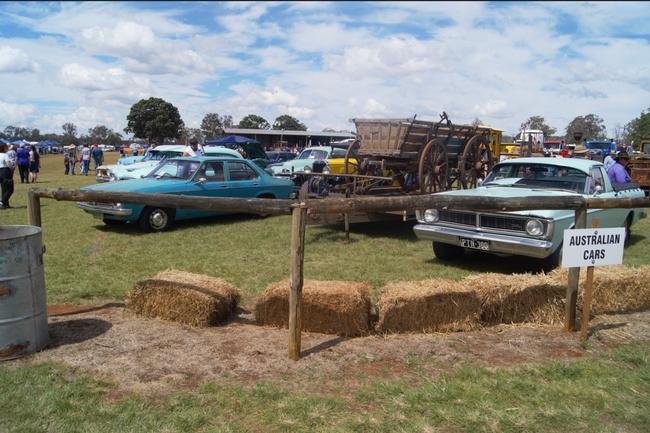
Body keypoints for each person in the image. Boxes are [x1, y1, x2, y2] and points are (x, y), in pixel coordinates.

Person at [0, 143, 14, 208]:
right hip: (5, 171)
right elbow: (9, 164)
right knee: (10, 189)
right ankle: (2, 202)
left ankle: (5, 204)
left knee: (4, 188)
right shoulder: (5, 155)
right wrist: (12, 168)